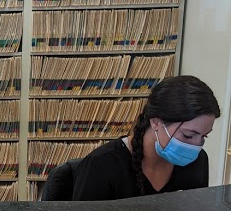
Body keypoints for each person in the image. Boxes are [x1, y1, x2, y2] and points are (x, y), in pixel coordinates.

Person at [72, 74, 220, 201]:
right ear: (156, 122)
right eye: (188, 135)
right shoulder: (101, 165)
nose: (196, 145)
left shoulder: (197, 161)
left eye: (204, 136)